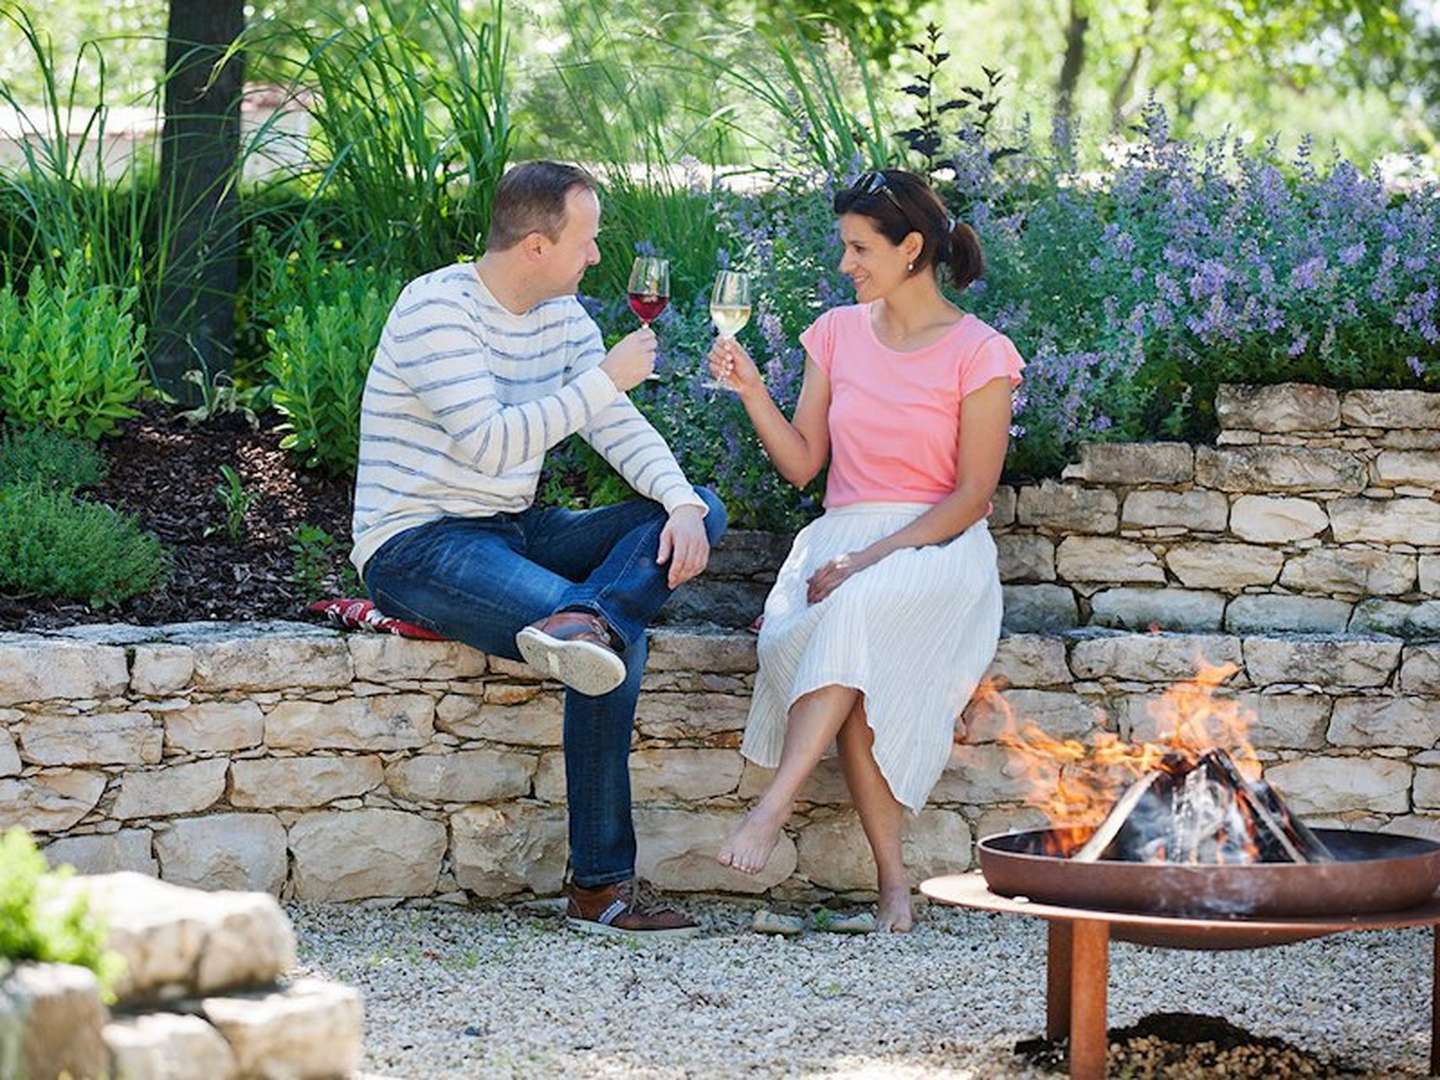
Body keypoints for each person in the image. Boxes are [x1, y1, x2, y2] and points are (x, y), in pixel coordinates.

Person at [351, 160, 727, 939]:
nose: (594, 257)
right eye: (585, 241)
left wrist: (684, 503)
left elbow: (617, 430)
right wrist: (608, 380)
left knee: (691, 513)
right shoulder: (435, 310)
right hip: (417, 543)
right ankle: (601, 888)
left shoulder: (562, 317)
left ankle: (591, 619)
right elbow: (488, 444)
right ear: (533, 245)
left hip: (513, 528)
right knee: (613, 643)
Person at [709, 169, 1023, 932]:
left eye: (859, 248)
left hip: (934, 546)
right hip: (839, 539)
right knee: (854, 673)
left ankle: (771, 808)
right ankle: (894, 893)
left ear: (911, 248)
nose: (845, 264)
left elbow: (971, 496)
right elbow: (803, 464)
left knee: (853, 610)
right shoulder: (836, 333)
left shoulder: (981, 352)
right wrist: (753, 391)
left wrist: (868, 560)